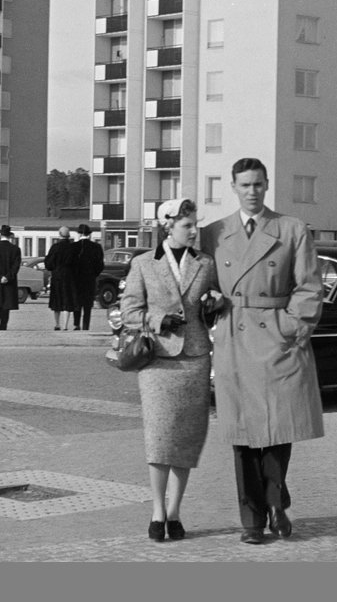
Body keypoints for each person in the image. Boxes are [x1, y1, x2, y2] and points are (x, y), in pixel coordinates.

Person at [200, 158, 324, 545]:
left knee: (277, 428)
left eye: (258, 184)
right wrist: (209, 303)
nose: (252, 191)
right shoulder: (214, 233)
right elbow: (200, 283)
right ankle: (252, 519)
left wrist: (290, 328)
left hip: (276, 339)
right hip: (235, 339)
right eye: (245, 185)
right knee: (242, 434)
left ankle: (275, 502)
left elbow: (309, 287)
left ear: (267, 185)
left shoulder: (291, 229)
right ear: (233, 188)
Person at [119, 197, 217, 542]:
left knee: (186, 440)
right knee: (160, 439)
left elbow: (213, 305)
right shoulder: (144, 263)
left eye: (195, 225)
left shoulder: (205, 263)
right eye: (187, 225)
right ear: (167, 226)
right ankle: (157, 511)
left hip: (195, 358)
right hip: (158, 361)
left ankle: (175, 512)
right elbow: (129, 312)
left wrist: (214, 305)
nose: (193, 231)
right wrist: (159, 319)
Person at [70, 223, 105, 331]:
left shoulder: (73, 247)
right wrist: (94, 274)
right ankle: (86, 325)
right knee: (87, 304)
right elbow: (100, 265)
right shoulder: (96, 247)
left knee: (77, 302)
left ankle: (76, 324)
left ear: (79, 234)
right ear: (89, 234)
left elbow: (69, 264)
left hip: (76, 279)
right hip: (90, 279)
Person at [43, 226, 76, 330]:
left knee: (56, 301)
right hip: (69, 276)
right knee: (67, 300)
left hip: (57, 276)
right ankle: (65, 325)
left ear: (59, 234)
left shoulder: (55, 247)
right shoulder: (73, 248)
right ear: (68, 235)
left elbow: (48, 264)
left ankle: (57, 324)